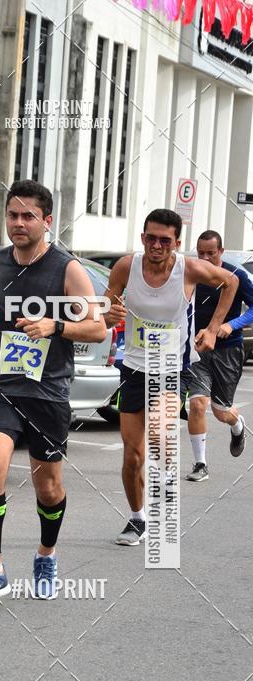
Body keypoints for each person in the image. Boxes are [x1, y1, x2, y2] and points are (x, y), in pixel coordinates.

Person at [0, 179, 107, 608]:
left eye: (27, 216)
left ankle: (46, 555)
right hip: (0, 384)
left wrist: (55, 326)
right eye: (12, 215)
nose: (18, 224)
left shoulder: (67, 269)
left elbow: (98, 327)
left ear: (47, 221)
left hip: (47, 392)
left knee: (49, 487)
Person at [104, 209, 239, 546]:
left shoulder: (188, 269)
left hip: (169, 368)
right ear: (143, 238)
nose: (157, 245)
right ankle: (137, 519)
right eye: (151, 238)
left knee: (160, 438)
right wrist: (109, 312)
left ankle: (164, 498)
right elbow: (106, 306)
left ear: (177, 243)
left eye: (165, 240)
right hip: (133, 369)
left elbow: (231, 281)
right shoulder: (126, 266)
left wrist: (211, 329)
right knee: (132, 456)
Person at [185, 231, 253, 481]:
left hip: (228, 350)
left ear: (221, 252)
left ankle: (237, 425)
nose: (204, 258)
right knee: (197, 404)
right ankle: (200, 464)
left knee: (221, 411)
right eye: (200, 253)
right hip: (197, 350)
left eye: (210, 254)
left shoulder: (236, 275)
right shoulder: (191, 273)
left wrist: (231, 325)